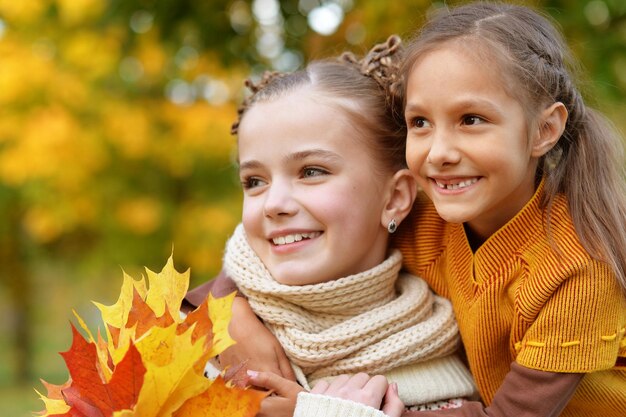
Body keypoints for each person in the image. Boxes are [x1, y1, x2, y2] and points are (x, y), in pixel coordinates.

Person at [189, 2, 626, 417]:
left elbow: (511, 414)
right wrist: (232, 315)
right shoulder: (427, 212)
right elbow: (266, 243)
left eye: (471, 120)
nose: (439, 152)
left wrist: (323, 410)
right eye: (421, 123)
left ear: (544, 130)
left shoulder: (580, 270)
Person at [185, 36, 477, 416]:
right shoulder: (190, 340)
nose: (273, 204)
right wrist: (223, 313)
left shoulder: (453, 344)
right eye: (254, 181)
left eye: (311, 172)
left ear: (395, 198)